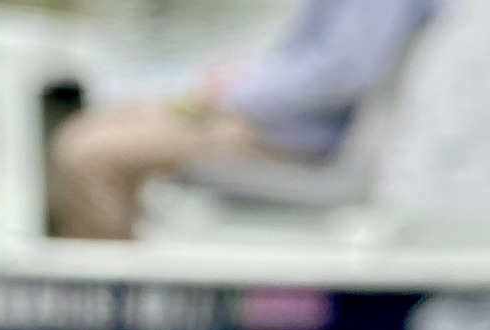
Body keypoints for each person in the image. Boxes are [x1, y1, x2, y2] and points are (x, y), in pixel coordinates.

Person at [48, 0, 445, 240]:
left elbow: (339, 76)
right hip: (271, 121)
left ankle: (102, 301)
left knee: (88, 153)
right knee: (109, 119)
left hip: (290, 139)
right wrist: (234, 83)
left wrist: (231, 94)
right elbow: (310, 65)